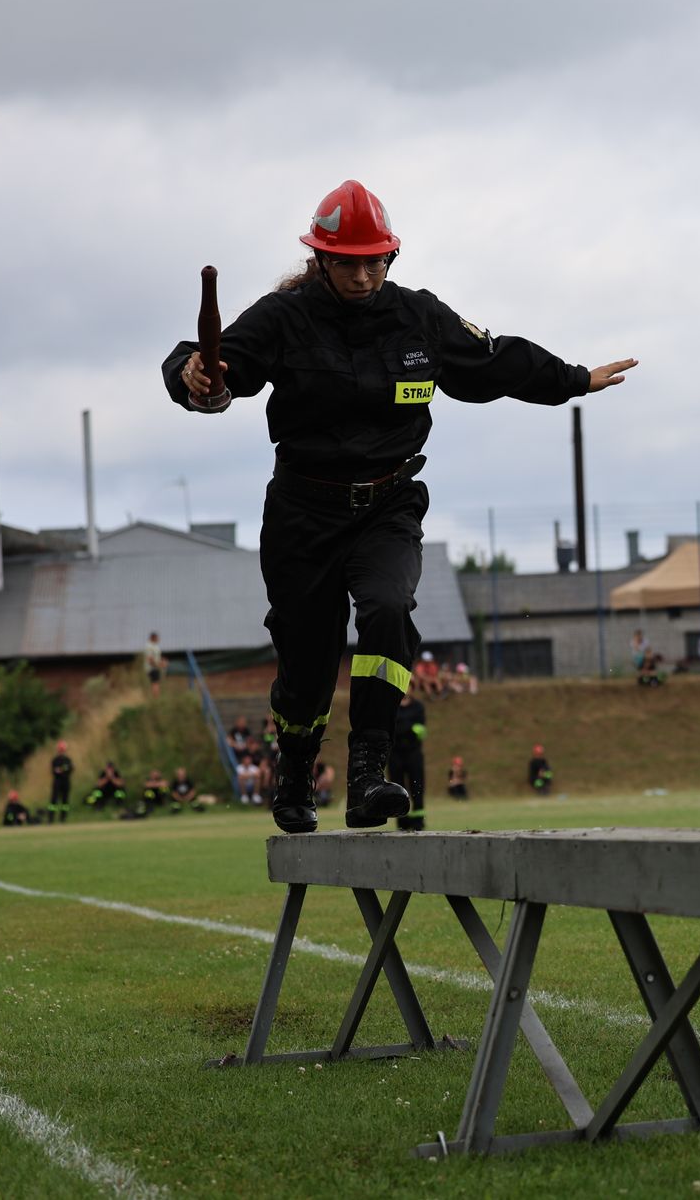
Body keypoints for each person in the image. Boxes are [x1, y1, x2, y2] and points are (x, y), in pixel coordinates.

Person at [164, 179, 634, 835]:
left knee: (388, 609)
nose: (363, 275)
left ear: (391, 258)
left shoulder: (419, 319)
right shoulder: (283, 318)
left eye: (375, 261)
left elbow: (492, 363)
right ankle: (296, 770)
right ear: (321, 259)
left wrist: (574, 379)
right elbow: (213, 369)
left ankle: (369, 771)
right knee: (306, 662)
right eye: (349, 262)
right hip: (303, 513)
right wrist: (193, 378)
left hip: (389, 504)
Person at [390, 690, 427, 831]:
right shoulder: (392, 706)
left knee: (417, 786)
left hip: (413, 753)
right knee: (398, 788)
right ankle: (402, 821)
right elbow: (390, 728)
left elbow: (420, 730)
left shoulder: (418, 707)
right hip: (395, 754)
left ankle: (418, 821)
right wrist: (408, 728)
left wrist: (401, 728)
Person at [47, 741, 74, 824]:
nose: (61, 751)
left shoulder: (68, 760)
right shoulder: (55, 760)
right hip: (57, 782)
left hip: (66, 782)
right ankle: (51, 819)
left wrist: (61, 770)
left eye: (63, 749)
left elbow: (70, 769)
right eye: (60, 749)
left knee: (65, 802)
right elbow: (54, 771)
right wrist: (63, 769)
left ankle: (63, 818)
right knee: (53, 801)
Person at [142, 631, 166, 697]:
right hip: (152, 668)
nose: (158, 639)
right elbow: (150, 660)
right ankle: (156, 699)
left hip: (155, 667)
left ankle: (156, 698)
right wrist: (160, 665)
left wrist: (162, 662)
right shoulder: (149, 646)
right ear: (153, 638)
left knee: (156, 683)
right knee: (155, 684)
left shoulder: (155, 646)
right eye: (157, 637)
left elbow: (156, 658)